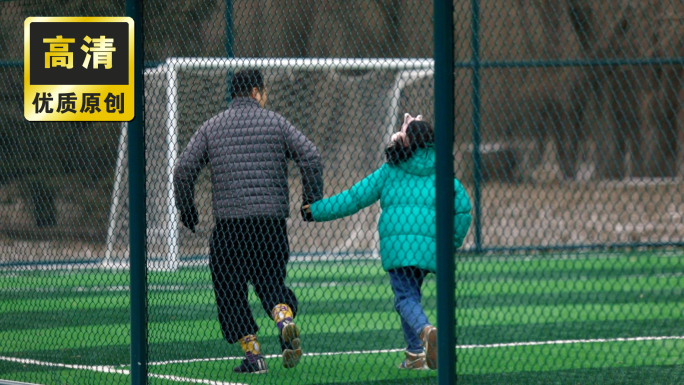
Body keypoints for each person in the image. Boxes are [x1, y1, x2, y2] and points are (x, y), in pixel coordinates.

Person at [174, 69, 323, 374]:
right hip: (270, 224)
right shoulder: (276, 123)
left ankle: (253, 355)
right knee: (270, 281)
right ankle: (283, 316)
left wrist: (187, 209)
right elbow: (311, 156)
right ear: (256, 91)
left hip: (230, 226)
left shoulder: (211, 127)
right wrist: (311, 201)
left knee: (229, 289)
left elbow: (183, 169)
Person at [304, 114, 471, 370]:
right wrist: (451, 242)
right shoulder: (442, 172)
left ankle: (426, 331)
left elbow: (354, 197)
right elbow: (463, 209)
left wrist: (315, 211)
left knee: (405, 297)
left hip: (397, 247)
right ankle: (415, 355)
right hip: (429, 247)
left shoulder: (391, 169)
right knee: (409, 296)